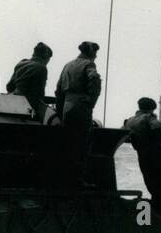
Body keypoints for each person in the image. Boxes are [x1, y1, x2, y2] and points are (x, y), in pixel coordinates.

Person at [55, 41, 102, 174]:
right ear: (90, 52)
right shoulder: (89, 64)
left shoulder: (67, 65)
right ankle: (78, 179)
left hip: (66, 106)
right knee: (82, 144)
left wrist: (59, 111)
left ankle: (66, 175)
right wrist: (90, 102)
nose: (96, 56)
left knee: (68, 142)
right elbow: (94, 81)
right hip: (81, 107)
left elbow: (58, 90)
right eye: (95, 52)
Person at [123, 97, 161, 219]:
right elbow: (159, 131)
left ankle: (155, 218)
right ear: (152, 109)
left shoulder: (129, 121)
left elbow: (124, 137)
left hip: (143, 158)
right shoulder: (150, 119)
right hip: (159, 158)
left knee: (152, 187)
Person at [6, 42, 52, 122]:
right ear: (45, 57)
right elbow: (40, 93)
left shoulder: (21, 63)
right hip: (28, 107)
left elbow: (9, 86)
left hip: (13, 102)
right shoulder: (41, 68)